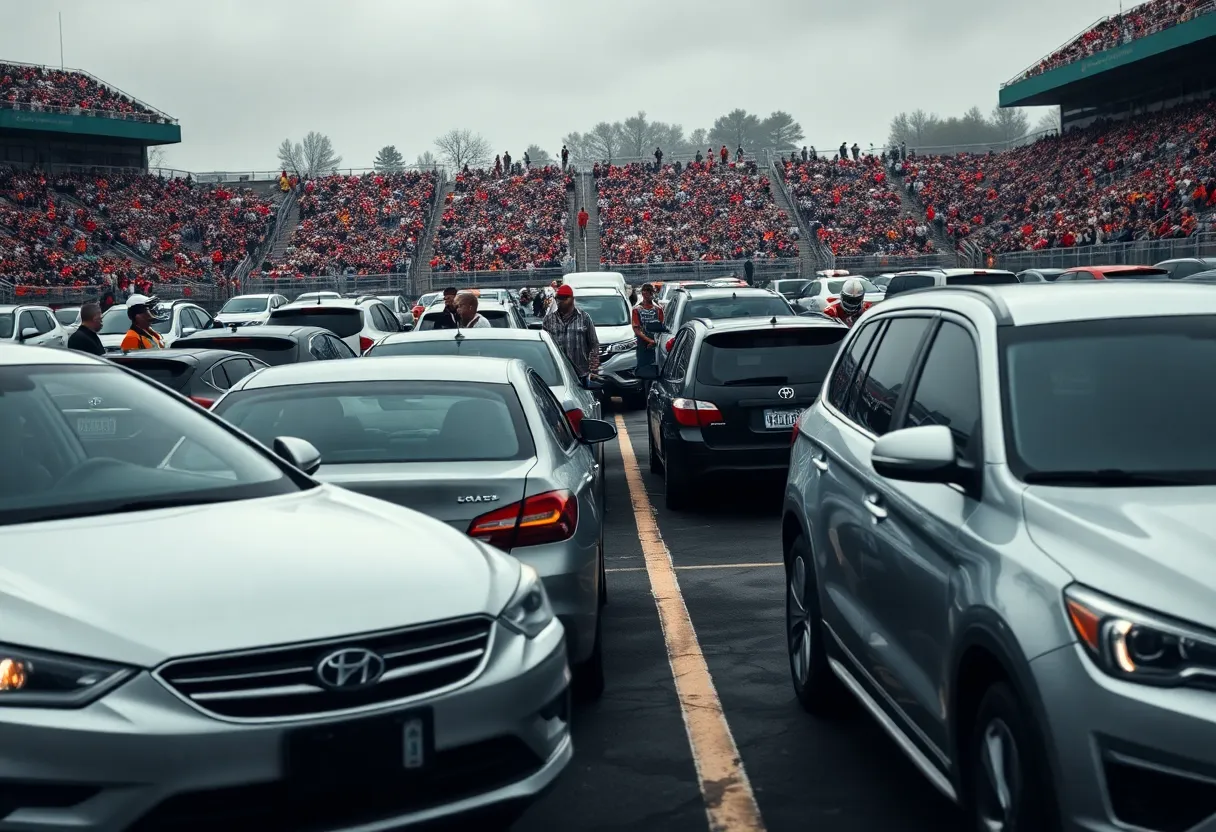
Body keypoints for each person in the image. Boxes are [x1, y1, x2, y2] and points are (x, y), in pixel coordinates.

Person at [542, 285, 599, 385]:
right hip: (557, 374)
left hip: (580, 374)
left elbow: (594, 344)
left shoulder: (584, 318)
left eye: (564, 298)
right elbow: (544, 347)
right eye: (558, 298)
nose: (560, 301)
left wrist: (593, 367)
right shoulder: (548, 320)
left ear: (572, 299)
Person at [631, 283, 664, 384]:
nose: (648, 294)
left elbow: (661, 326)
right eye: (646, 291)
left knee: (656, 370)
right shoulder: (637, 310)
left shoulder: (658, 309)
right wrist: (649, 340)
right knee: (643, 370)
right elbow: (636, 329)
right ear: (643, 293)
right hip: (643, 344)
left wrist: (655, 341)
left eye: (650, 291)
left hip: (656, 344)